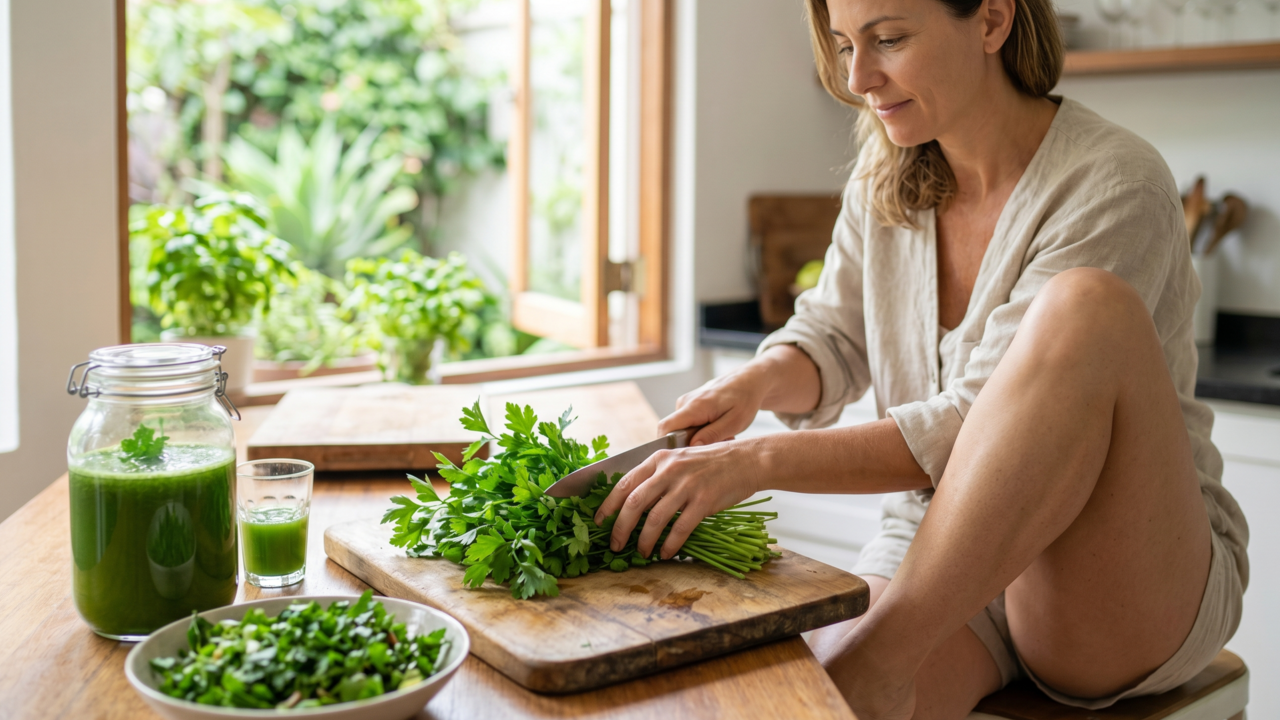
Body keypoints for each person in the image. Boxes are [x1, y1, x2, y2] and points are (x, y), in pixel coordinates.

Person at [590, 0, 1249, 717]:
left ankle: (880, 658)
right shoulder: (886, 173)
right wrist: (751, 385)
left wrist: (755, 462)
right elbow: (832, 338)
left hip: (1106, 568)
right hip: (936, 558)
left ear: (993, 21)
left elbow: (976, 425)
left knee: (1085, 306)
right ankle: (873, 665)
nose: (860, 78)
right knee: (801, 698)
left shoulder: (1114, 180)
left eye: (890, 40)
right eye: (845, 47)